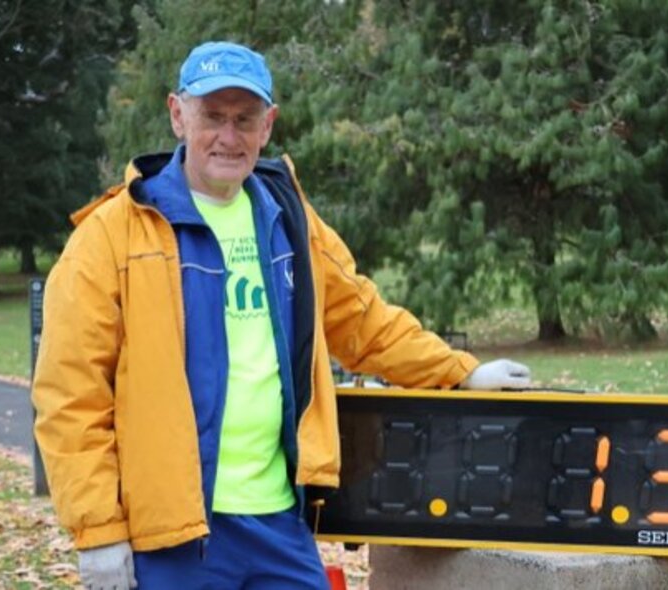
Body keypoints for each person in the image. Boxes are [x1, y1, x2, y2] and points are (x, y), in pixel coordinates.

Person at [31, 41, 532, 590]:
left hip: (278, 524)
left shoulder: (288, 220)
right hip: (172, 537)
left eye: (244, 119)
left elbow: (362, 319)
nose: (229, 136)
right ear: (178, 115)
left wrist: (460, 371)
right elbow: (71, 393)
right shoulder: (112, 235)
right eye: (212, 116)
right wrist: (99, 530)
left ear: (267, 125)